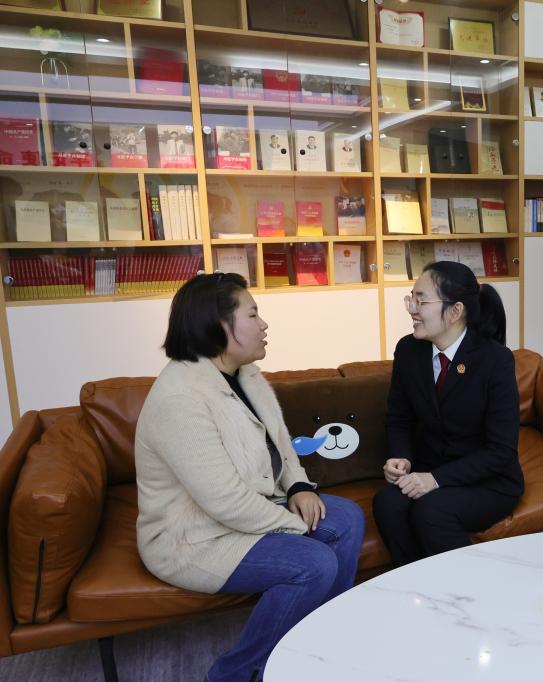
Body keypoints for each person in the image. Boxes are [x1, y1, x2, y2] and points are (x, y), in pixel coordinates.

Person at [135, 273, 364, 682]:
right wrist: (298, 526)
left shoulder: (246, 373)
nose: (264, 324)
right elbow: (224, 502)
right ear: (218, 325)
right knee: (313, 564)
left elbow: (280, 441)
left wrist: (298, 486)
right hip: (195, 538)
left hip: (251, 509)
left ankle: (317, 651)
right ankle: (234, 674)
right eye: (253, 314)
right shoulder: (180, 399)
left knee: (347, 519)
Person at [372, 261, 523, 566]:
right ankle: (416, 583)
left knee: (431, 511)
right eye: (411, 299)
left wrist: (436, 479)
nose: (412, 310)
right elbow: (399, 419)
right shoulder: (408, 351)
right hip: (428, 468)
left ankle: (466, 589)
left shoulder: (495, 360)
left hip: (487, 481)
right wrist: (401, 458)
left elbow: (501, 451)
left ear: (455, 311)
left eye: (422, 301)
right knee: (387, 503)